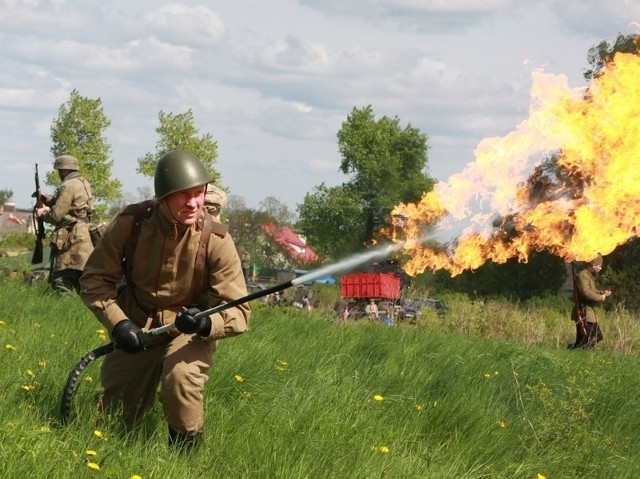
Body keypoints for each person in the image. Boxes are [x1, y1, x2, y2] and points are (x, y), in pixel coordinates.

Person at [79, 150, 250, 451]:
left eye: (199, 193)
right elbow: (94, 279)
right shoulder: (131, 224)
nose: (194, 203)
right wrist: (118, 324)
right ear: (163, 198)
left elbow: (239, 311)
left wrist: (206, 321)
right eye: (183, 195)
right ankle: (116, 452)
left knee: (180, 379)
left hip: (190, 330)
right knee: (112, 411)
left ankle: (184, 458)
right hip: (136, 322)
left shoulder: (217, 240)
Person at [35, 155, 94, 294]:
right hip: (84, 235)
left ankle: (63, 310)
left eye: (59, 171)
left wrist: (42, 213)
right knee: (80, 276)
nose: (59, 174)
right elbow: (70, 204)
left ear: (63, 170)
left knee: (61, 279)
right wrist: (45, 198)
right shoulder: (83, 182)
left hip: (71, 237)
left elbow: (56, 215)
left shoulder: (67, 185)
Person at [571, 254, 611, 348]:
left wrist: (602, 293)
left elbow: (592, 291)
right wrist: (601, 297)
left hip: (590, 312)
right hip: (584, 311)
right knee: (591, 338)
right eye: (599, 266)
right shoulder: (583, 275)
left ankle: (576, 353)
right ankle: (578, 353)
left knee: (589, 338)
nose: (600, 268)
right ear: (593, 265)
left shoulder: (589, 275)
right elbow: (586, 293)